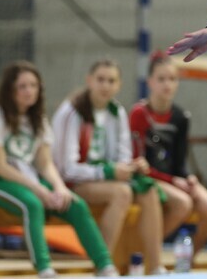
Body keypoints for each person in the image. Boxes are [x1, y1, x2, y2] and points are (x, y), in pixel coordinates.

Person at [0, 61, 117, 278]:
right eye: (22, 86)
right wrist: (39, 190)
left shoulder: (38, 118)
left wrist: (59, 188)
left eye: (33, 85)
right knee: (32, 204)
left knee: (75, 204)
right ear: (9, 89)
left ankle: (105, 266)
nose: (29, 91)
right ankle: (44, 269)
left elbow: (45, 163)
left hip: (28, 179)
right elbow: (0, 166)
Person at [52, 59, 167, 275]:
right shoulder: (72, 112)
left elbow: (122, 155)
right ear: (89, 81)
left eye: (111, 81)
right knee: (122, 193)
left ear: (119, 85)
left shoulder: (117, 111)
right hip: (69, 184)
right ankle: (103, 266)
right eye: (101, 80)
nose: (105, 85)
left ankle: (155, 267)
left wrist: (131, 166)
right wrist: (106, 171)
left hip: (103, 179)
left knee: (149, 190)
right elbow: (66, 169)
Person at [129, 52, 207, 263]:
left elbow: (179, 162)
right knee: (183, 204)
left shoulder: (181, 117)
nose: (167, 85)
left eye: (172, 79)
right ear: (150, 82)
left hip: (172, 179)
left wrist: (188, 178)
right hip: (147, 178)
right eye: (161, 79)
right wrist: (173, 180)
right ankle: (141, 251)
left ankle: (188, 260)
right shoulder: (139, 114)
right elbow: (138, 163)